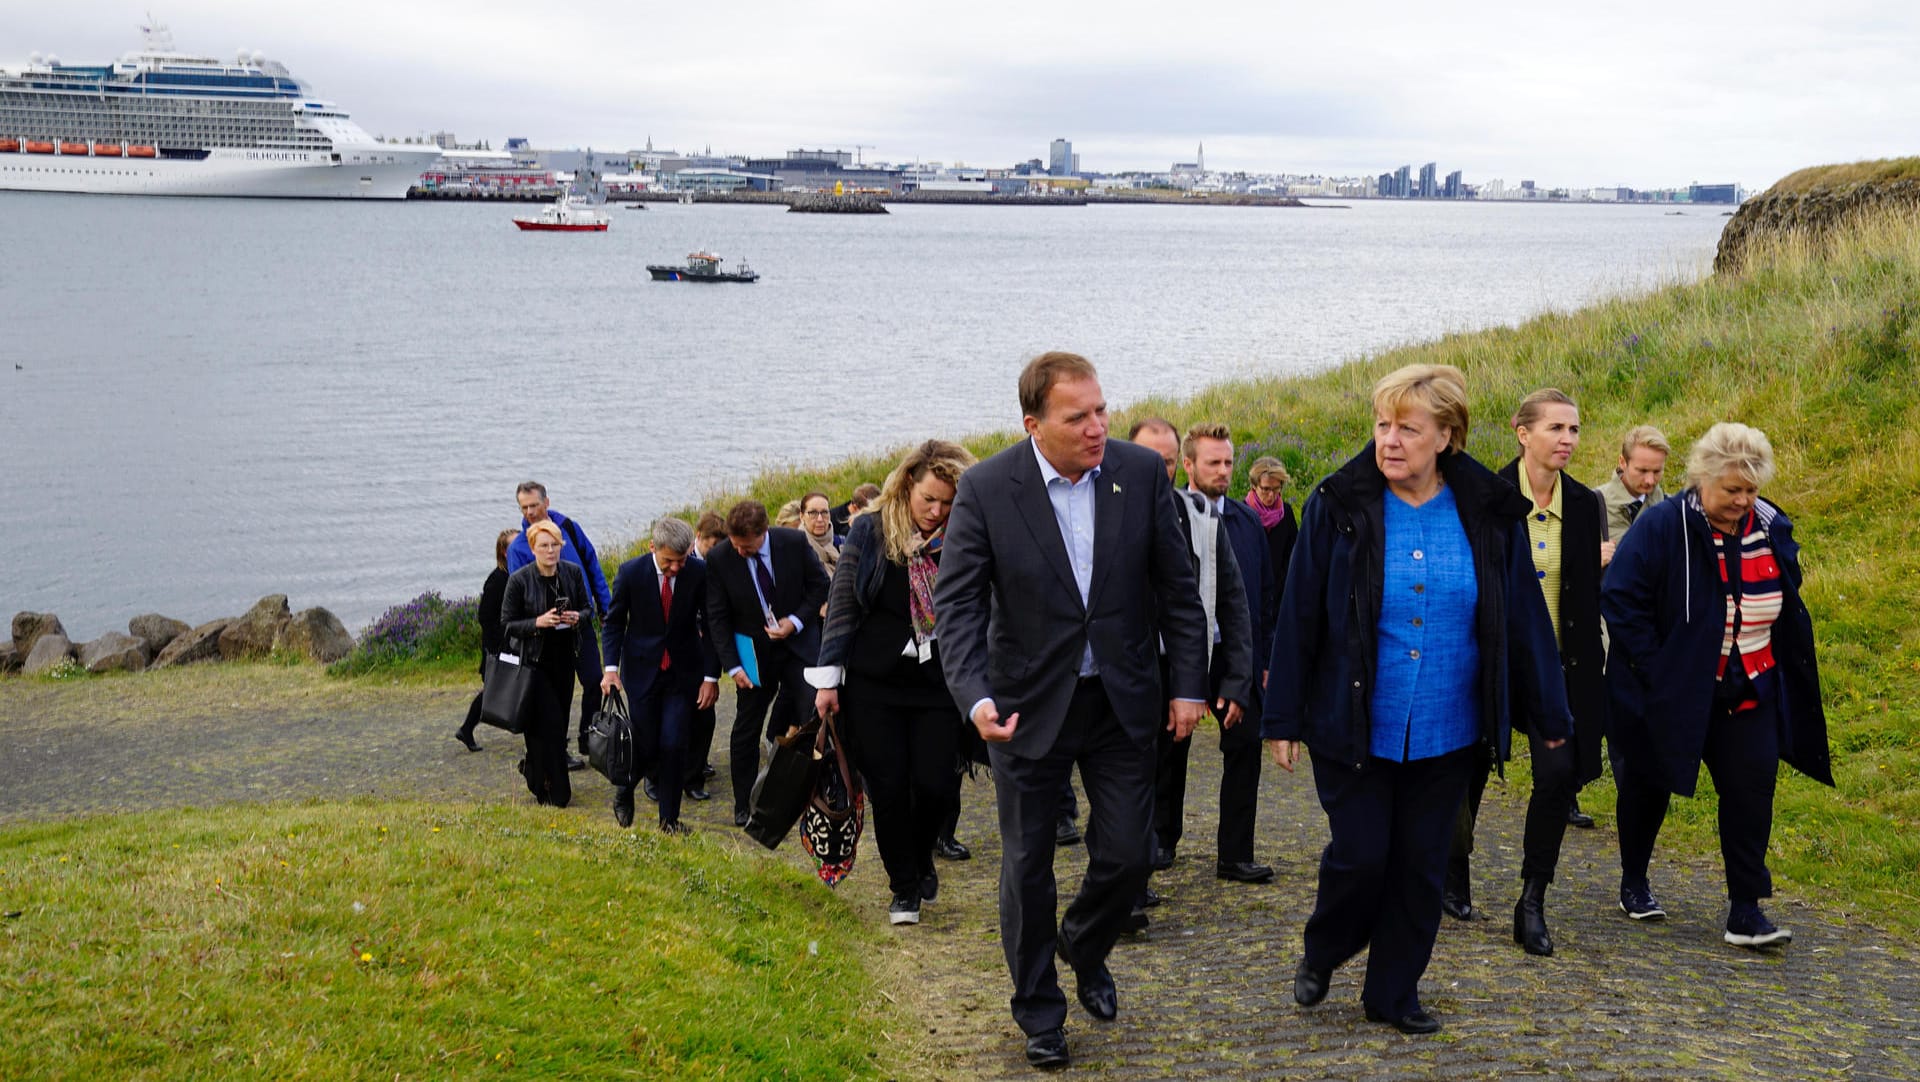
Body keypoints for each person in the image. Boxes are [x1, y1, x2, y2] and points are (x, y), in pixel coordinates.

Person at [1264, 363, 1570, 1036]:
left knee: (1422, 868)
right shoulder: (1338, 505)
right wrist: (1282, 717)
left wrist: (1550, 716)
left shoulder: (1489, 513)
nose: (1389, 440)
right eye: (1382, 424)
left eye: (1408, 428)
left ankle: (1393, 992)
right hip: (1353, 722)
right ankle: (1328, 946)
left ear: (1447, 437)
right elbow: (1299, 615)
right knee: (1362, 855)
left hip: (1449, 728)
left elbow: (1522, 616)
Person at [936, 351, 1208, 1071]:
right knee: (1028, 867)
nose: (1097, 427)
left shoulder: (1140, 473)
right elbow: (956, 604)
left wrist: (1188, 684)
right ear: (1034, 424)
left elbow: (1178, 589)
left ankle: (1084, 943)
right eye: (1077, 416)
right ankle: (1040, 1013)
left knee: (1126, 855)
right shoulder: (989, 488)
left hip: (1121, 701)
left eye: (1101, 410)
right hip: (1023, 707)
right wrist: (975, 697)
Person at [1602, 422, 1832, 947]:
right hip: (1671, 690)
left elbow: (1785, 595)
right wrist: (1659, 668)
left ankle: (1745, 911)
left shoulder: (1770, 524)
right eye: (1732, 490)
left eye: (1750, 490)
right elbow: (1619, 597)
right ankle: (1634, 880)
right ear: (1702, 479)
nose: (1742, 500)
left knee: (1752, 791)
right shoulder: (1663, 525)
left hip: (1750, 686)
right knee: (1647, 784)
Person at [1444, 389, 1607, 956]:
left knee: (1558, 774)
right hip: (1487, 664)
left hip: (1555, 669)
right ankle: (1453, 869)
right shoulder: (1483, 497)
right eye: (1557, 428)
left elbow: (1588, 596)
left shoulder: (1585, 506)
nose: (1568, 439)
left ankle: (1531, 899)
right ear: (1522, 432)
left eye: (1575, 429)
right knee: (1467, 771)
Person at [808, 440, 977, 926]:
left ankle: (923, 856)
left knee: (935, 785)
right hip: (875, 683)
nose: (936, 511)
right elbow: (843, 604)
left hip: (939, 682)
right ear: (907, 486)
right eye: (928, 499)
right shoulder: (870, 530)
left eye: (947, 503)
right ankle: (903, 886)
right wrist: (828, 680)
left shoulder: (963, 535)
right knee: (887, 787)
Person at [1127, 419, 1261, 889]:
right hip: (1148, 660)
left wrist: (1245, 672)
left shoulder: (1214, 518)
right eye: (1214, 462)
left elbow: (1241, 600)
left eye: (1229, 462)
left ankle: (1235, 853)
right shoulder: (1112, 513)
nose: (1224, 470)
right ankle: (1150, 853)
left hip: (1216, 650)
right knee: (1156, 758)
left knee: (1244, 746)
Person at [706, 499, 832, 828]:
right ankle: (744, 803)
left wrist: (795, 621)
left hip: (799, 649)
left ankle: (806, 797)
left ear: (763, 533)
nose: (739, 552)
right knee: (746, 728)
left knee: (812, 723)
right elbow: (717, 618)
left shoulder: (792, 542)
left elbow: (820, 586)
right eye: (734, 546)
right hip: (754, 656)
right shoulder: (720, 558)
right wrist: (732, 667)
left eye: (746, 547)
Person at [601, 518, 719, 833]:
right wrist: (610, 670)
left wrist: (711, 676)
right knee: (647, 744)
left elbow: (711, 626)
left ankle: (669, 820)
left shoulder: (699, 572)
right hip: (642, 672)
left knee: (674, 744)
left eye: (682, 560)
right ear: (652, 548)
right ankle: (626, 787)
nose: (676, 568)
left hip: (683, 675)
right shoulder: (630, 573)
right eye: (669, 561)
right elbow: (613, 623)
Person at [507, 482, 612, 769]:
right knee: (555, 696)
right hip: (547, 636)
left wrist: (605, 608)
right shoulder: (519, 547)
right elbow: (518, 596)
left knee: (593, 681)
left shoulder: (570, 528)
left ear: (546, 502)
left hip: (580, 624)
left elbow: (593, 566)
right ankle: (558, 750)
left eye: (534, 505)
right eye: (524, 507)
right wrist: (541, 619)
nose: (530, 511)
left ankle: (589, 737)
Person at [500, 519, 592, 807]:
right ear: (533, 548)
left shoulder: (572, 573)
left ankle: (538, 777)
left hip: (564, 659)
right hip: (534, 662)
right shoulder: (520, 579)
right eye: (544, 546)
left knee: (558, 722)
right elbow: (507, 623)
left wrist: (578, 617)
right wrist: (537, 623)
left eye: (554, 545)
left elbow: (588, 608)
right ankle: (555, 791)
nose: (550, 551)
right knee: (545, 726)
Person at [457, 529, 521, 752]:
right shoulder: (497, 580)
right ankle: (466, 728)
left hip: (514, 643)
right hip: (499, 646)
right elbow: (485, 616)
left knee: (521, 686)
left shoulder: (519, 574)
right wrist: (499, 645)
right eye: (515, 545)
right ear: (504, 551)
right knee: (494, 690)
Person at [1246, 455, 1299, 599]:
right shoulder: (1243, 514)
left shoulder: (1286, 513)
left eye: (1276, 489)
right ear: (1254, 486)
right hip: (1250, 594)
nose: (1271, 495)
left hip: (1281, 595)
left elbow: (1294, 552)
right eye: (1265, 489)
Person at [800, 490, 842, 582]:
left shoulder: (843, 543)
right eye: (813, 513)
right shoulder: (795, 550)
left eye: (824, 512)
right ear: (802, 516)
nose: (820, 519)